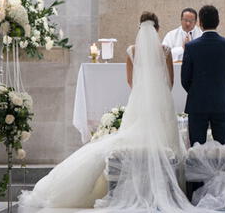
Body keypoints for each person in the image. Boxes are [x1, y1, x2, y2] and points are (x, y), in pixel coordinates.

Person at [19, 12, 204, 212]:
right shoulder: (165, 50)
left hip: (138, 102)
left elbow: (131, 82)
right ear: (157, 29)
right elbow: (170, 82)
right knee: (167, 142)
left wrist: (143, 94)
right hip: (162, 104)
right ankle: (170, 188)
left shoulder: (132, 51)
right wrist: (157, 95)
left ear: (139, 29)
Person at [181, 5, 225, 146]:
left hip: (197, 102)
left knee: (196, 148)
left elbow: (185, 79)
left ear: (199, 23)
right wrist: (221, 90)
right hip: (221, 101)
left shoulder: (191, 47)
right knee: (223, 148)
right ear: (218, 22)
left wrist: (196, 91)